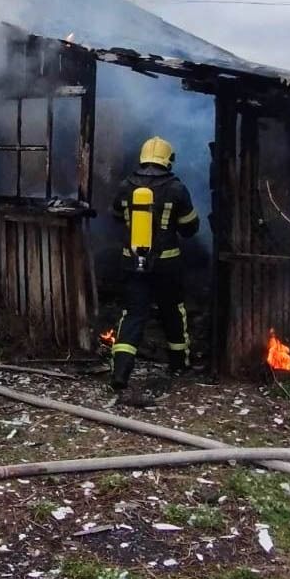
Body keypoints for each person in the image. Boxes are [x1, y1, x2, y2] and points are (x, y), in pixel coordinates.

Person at [110, 135, 200, 405]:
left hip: (132, 264)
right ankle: (178, 364)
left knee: (133, 315)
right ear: (168, 160)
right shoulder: (176, 188)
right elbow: (189, 228)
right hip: (167, 265)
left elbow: (116, 217)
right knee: (173, 311)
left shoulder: (125, 186)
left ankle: (120, 372)